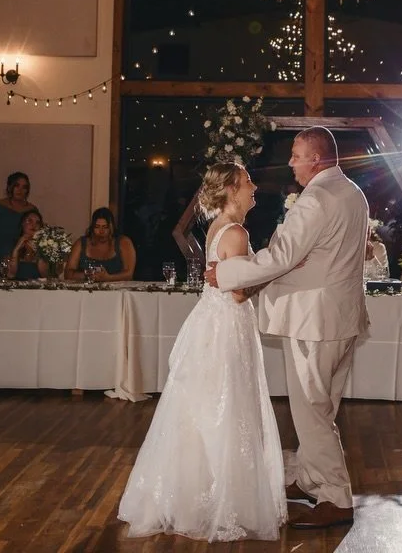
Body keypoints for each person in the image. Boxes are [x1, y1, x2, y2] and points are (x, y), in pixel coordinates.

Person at [206, 126, 368, 530]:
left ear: (316, 158)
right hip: (343, 317)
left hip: (314, 320)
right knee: (323, 405)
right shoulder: (352, 192)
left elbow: (282, 256)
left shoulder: (317, 199)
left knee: (312, 410)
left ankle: (335, 496)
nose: (291, 162)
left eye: (296, 155)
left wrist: (227, 272)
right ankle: (311, 476)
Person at [118, 161, 286, 541]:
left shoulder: (216, 228)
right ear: (230, 189)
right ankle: (227, 502)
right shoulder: (237, 233)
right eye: (247, 182)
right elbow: (241, 292)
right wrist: (270, 270)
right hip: (227, 325)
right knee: (229, 407)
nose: (254, 187)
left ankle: (192, 495)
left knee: (205, 407)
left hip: (210, 322)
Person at [64, 207, 136, 282]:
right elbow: (68, 274)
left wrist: (108, 278)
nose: (101, 231)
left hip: (117, 292)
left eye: (105, 227)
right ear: (92, 227)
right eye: (97, 227)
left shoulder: (124, 242)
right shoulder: (81, 243)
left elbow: (129, 274)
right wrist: (88, 274)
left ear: (111, 228)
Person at [8, 209, 44, 281]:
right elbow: (10, 274)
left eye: (37, 223)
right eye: (29, 221)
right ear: (22, 223)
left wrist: (39, 252)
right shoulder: (11, 243)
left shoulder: (46, 246)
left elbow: (45, 275)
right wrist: (16, 250)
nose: (34, 225)